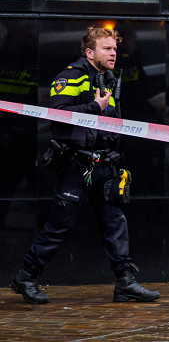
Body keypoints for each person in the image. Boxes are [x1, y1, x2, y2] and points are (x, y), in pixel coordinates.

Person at [9, 25, 159, 305]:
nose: (113, 53)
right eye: (107, 49)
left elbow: (111, 124)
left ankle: (125, 282)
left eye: (115, 48)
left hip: (105, 165)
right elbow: (57, 114)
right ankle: (26, 276)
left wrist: (118, 159)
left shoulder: (110, 78)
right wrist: (94, 107)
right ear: (90, 52)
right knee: (59, 225)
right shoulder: (71, 76)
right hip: (77, 166)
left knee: (115, 222)